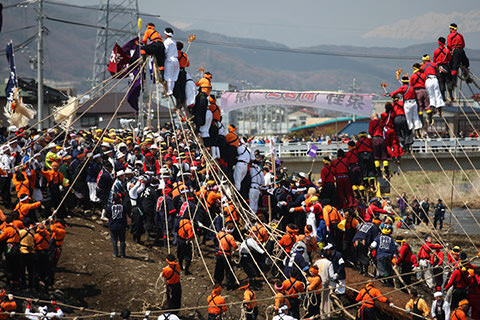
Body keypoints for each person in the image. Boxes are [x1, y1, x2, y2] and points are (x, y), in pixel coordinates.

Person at [214, 223, 238, 290]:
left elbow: (217, 236)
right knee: (228, 270)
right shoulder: (230, 237)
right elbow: (234, 246)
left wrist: (222, 231)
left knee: (219, 269)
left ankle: (218, 282)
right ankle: (230, 284)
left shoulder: (221, 234)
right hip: (226, 255)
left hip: (219, 254)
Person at [421, 54, 445, 120]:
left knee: (431, 96)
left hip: (428, 80)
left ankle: (432, 108)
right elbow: (442, 70)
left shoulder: (422, 66)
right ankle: (439, 110)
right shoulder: (434, 64)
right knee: (438, 94)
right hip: (435, 79)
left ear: (423, 60)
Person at [106, 193, 128, 258]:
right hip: (121, 226)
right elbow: (126, 214)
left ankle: (115, 253)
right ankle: (122, 254)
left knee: (114, 240)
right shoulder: (123, 207)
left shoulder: (110, 207)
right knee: (122, 240)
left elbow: (108, 215)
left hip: (112, 225)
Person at [433, 37, 454, 102]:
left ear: (439, 42)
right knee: (448, 81)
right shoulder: (447, 50)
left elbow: (434, 60)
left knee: (441, 82)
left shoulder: (436, 51)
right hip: (446, 66)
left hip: (439, 67)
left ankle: (443, 97)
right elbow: (450, 58)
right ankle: (451, 96)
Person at [163, 28, 179, 96]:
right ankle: (171, 89)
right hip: (176, 60)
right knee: (173, 76)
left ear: (166, 34)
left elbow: (165, 51)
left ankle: (169, 90)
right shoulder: (174, 41)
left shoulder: (166, 41)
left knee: (169, 76)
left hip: (169, 60)